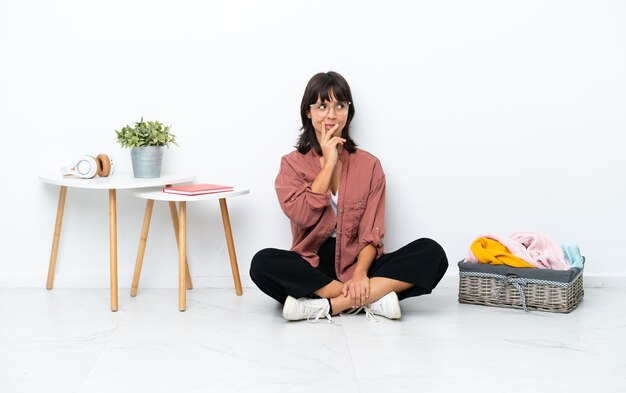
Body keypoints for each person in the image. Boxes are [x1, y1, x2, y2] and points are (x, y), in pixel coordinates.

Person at [250, 71, 448, 322]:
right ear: (308, 112)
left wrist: (360, 275)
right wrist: (328, 165)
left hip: (358, 262)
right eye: (322, 106)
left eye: (340, 106)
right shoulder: (291, 165)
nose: (331, 115)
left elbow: (371, 234)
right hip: (311, 264)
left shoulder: (370, 165)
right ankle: (372, 299)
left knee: (432, 252)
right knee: (262, 263)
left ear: (348, 112)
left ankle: (328, 306)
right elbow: (302, 215)